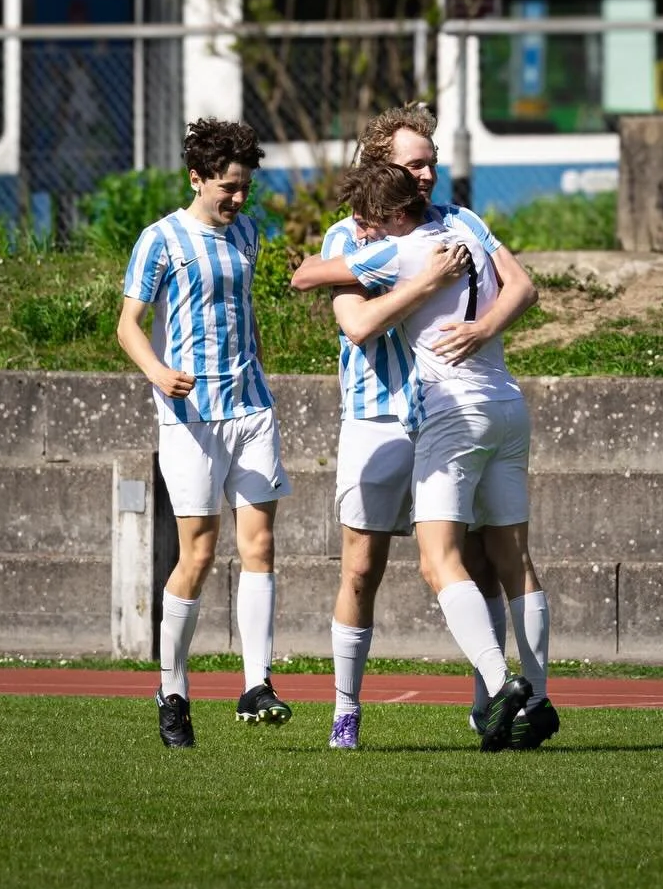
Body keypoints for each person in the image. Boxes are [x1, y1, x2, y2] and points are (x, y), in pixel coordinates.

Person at [291, 106, 557, 752]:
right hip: (407, 414)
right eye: (416, 163)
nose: (429, 172)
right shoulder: (365, 235)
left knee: (459, 563)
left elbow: (310, 280)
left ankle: (497, 695)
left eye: (432, 158)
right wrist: (437, 284)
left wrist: (473, 319)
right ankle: (352, 712)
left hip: (445, 412)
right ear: (384, 169)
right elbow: (355, 320)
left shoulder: (427, 233)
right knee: (368, 566)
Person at [117, 117, 291, 749]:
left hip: (250, 409)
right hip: (190, 417)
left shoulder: (247, 233)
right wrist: (159, 372)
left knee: (261, 543)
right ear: (196, 178)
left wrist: (261, 373)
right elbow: (129, 324)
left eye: (244, 187)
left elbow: (244, 316)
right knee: (198, 552)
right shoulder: (160, 240)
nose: (238, 199)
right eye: (227, 187)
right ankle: (172, 690)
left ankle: (256, 682)